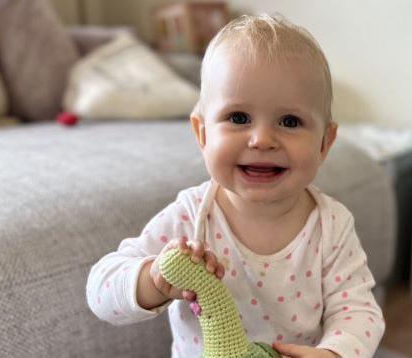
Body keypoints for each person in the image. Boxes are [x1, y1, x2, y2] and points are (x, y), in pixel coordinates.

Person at [86, 13, 385, 358]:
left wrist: (334, 352)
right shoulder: (191, 218)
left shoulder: (331, 225)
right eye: (238, 118)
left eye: (289, 121)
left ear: (324, 143)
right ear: (202, 133)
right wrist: (153, 279)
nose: (261, 139)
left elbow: (359, 312)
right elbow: (100, 290)